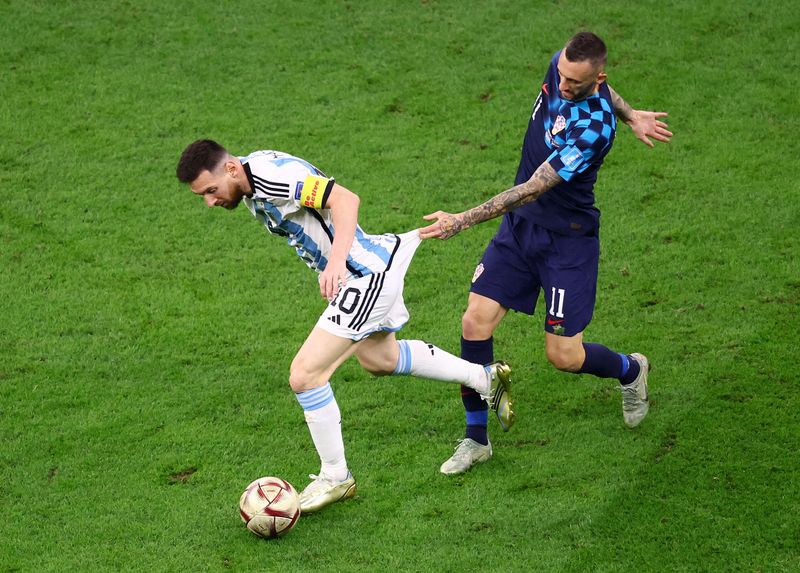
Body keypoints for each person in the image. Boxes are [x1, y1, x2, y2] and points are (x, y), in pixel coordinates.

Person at [175, 140, 512, 512]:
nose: (209, 201)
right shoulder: (251, 179)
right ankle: (486, 378)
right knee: (380, 359)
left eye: (210, 191)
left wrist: (335, 264)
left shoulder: (272, 178)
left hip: (363, 277)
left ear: (231, 169)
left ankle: (336, 477)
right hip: (365, 267)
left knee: (305, 375)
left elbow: (345, 200)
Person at [419, 32, 673, 475]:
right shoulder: (563, 66)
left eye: (575, 83)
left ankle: (630, 370)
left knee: (564, 356)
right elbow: (604, 89)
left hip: (566, 242)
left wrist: (462, 219)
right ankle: (476, 439)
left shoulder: (594, 128)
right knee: (473, 321)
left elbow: (534, 188)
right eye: (562, 75)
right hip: (521, 233)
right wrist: (633, 113)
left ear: (597, 79)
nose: (563, 85)